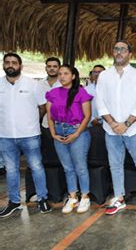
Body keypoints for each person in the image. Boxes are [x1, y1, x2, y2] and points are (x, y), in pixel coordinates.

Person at [95, 41, 136, 216]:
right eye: (116, 49)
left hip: (134, 129)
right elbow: (100, 101)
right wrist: (113, 123)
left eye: (123, 49)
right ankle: (119, 198)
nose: (119, 52)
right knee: (115, 165)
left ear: (130, 53)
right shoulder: (104, 76)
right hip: (110, 129)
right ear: (113, 52)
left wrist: (126, 124)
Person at [0, 53, 51, 217]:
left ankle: (42, 198)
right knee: (11, 170)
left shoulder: (32, 84)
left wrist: (32, 122)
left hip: (30, 134)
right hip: (5, 135)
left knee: (36, 167)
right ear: (3, 64)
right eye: (7, 62)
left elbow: (43, 107)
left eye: (14, 62)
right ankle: (14, 202)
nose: (10, 65)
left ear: (20, 66)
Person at [46, 65, 93, 214]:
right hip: (59, 132)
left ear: (73, 76)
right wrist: (53, 134)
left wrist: (76, 134)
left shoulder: (81, 92)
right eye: (60, 74)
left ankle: (85, 196)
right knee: (67, 167)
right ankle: (72, 197)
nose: (62, 76)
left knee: (80, 167)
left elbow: (87, 116)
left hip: (77, 131)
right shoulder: (52, 93)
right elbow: (49, 116)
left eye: (66, 73)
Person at [40, 57, 62, 128]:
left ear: (59, 68)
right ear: (45, 68)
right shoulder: (39, 84)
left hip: (64, 126)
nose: (52, 68)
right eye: (49, 66)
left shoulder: (65, 83)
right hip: (46, 125)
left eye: (55, 66)